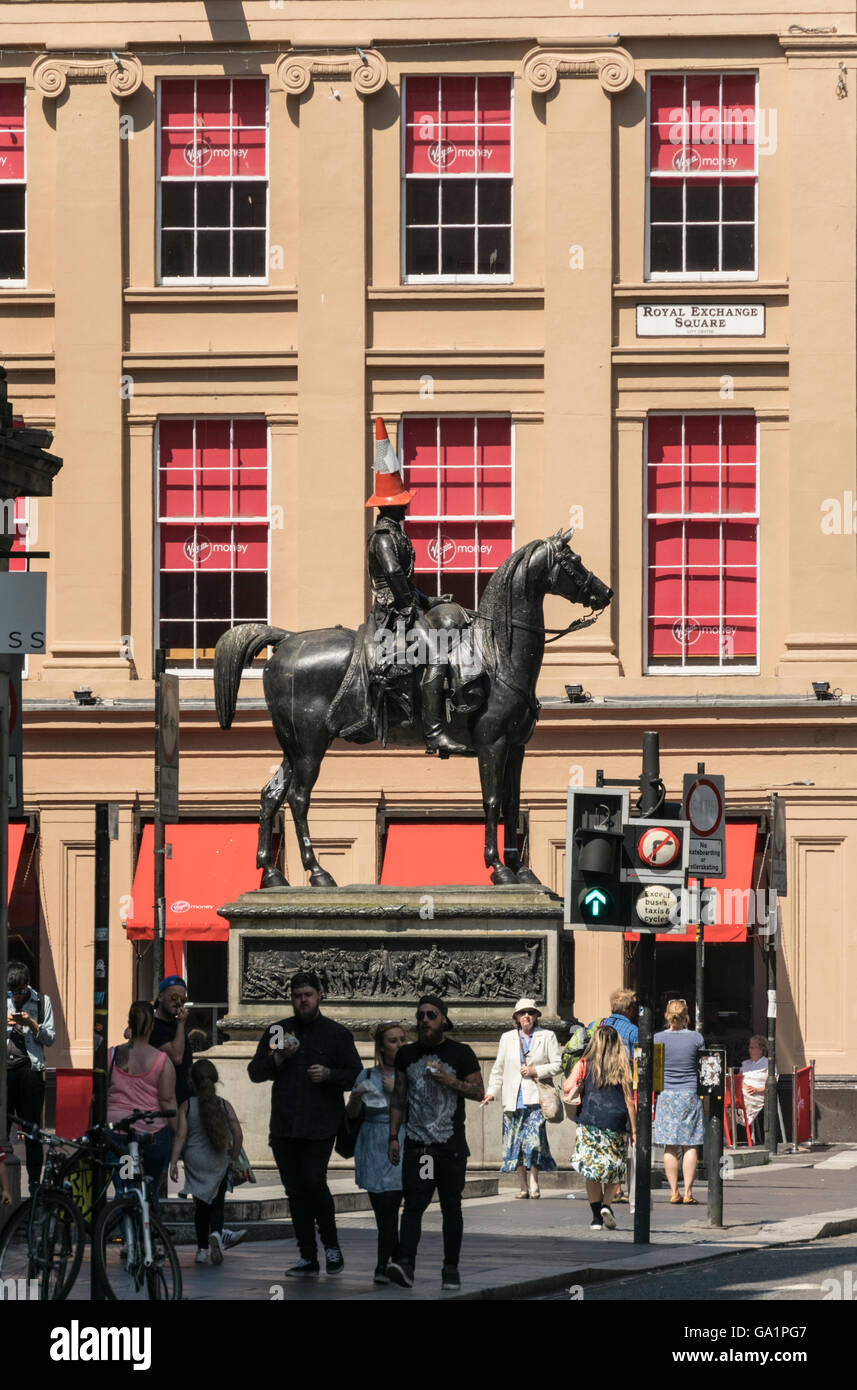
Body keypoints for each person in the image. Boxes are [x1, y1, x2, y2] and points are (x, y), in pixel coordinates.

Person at [247, 969, 361, 1278]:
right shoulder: (277, 1031)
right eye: (297, 997)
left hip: (321, 1126)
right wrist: (279, 1058)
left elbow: (356, 1075)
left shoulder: (336, 1034)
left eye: (307, 995)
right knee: (295, 1192)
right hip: (284, 1127)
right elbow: (255, 1072)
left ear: (319, 996)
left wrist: (329, 1075)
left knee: (314, 1183)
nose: (302, 1001)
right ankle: (307, 1255)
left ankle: (332, 1245)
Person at [366, 417, 470, 756]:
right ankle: (435, 732)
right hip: (392, 616)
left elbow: (407, 583)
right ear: (393, 504)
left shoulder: (396, 532)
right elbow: (396, 579)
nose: (408, 504)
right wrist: (414, 608)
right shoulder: (384, 537)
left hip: (406, 608)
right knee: (437, 655)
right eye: (403, 500)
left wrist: (432, 599)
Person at [386, 995, 484, 1292]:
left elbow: (479, 1091)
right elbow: (399, 1098)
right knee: (413, 1206)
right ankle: (406, 1265)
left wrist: (448, 1080)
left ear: (443, 1019)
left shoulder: (461, 1053)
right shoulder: (406, 1055)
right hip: (419, 1148)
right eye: (420, 1016)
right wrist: (393, 1136)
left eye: (431, 1015)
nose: (424, 1020)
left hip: (450, 1149)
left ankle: (450, 1267)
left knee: (451, 1208)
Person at [345, 1020, 408, 1284]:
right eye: (394, 1041)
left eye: (403, 1039)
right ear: (382, 1048)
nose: (401, 1045)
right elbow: (351, 1115)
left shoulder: (412, 1075)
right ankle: (397, 1260)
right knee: (381, 1208)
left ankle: (382, 1265)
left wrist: (398, 1093)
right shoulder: (367, 1075)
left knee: (390, 1206)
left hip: (399, 1140)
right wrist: (356, 1100)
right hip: (371, 1142)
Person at [482, 997, 562, 1198]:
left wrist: (535, 1070)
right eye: (522, 1013)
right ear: (516, 1017)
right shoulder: (507, 1038)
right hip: (513, 1098)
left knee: (534, 1141)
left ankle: (534, 1181)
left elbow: (557, 1064)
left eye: (531, 1012)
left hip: (536, 1099)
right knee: (514, 1142)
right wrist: (491, 1091)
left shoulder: (547, 1036)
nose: (527, 1016)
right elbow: (498, 1069)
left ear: (536, 1016)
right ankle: (522, 1185)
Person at [170, 1058, 246, 1266]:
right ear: (215, 1080)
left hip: (196, 1161)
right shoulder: (223, 1104)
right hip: (219, 1160)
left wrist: (173, 1162)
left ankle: (202, 1250)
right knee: (218, 1203)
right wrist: (233, 1158)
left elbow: (180, 1136)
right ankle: (217, 1234)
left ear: (191, 1081)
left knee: (200, 1206)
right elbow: (238, 1134)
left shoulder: (186, 1106)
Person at [107, 1000, 178, 1212]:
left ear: (130, 1023)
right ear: (151, 1027)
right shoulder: (162, 1060)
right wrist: (180, 1134)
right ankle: (149, 1237)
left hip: (119, 1133)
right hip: (152, 1133)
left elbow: (98, 1095)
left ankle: (126, 1239)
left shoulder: (110, 1055)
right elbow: (167, 1100)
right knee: (149, 1187)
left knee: (125, 1186)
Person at [565, 1024, 636, 1231]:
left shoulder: (585, 1063)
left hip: (589, 1121)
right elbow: (629, 1101)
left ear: (595, 1042)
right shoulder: (623, 1065)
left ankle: (596, 1217)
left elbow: (568, 1087)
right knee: (615, 1169)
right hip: (615, 1122)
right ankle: (607, 1205)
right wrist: (634, 1130)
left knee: (591, 1170)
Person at [6, 961, 55, 1190]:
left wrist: (32, 1024)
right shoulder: (3, 1000)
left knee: (32, 1130)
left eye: (21, 992)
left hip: (31, 1072)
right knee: (2, 1130)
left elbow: (50, 1039)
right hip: (5, 1073)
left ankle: (35, 1182)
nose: (16, 997)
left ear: (28, 986)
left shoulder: (43, 1002)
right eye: (12, 992)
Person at [653, 999, 705, 1204]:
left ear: (667, 1016)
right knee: (690, 1145)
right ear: (686, 1017)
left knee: (670, 1146)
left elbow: (653, 1068)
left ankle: (673, 1191)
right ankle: (688, 1192)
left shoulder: (657, 1038)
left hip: (666, 1095)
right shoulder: (696, 1038)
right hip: (689, 1094)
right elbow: (704, 1067)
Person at [150, 975, 193, 1106]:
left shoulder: (176, 1025)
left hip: (184, 1097)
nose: (179, 1002)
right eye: (174, 997)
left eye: (183, 998)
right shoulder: (153, 1026)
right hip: (165, 1101)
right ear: (160, 997)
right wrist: (181, 1024)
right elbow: (176, 1057)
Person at [588, 988, 638, 1059]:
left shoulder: (593, 1025)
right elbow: (637, 1061)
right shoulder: (634, 1031)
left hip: (596, 1069)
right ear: (630, 1009)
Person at [740, 1034, 769, 1130]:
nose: (749, 1050)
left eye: (752, 1047)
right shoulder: (746, 1064)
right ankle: (724, 1136)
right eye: (749, 1047)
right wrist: (743, 1085)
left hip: (757, 1095)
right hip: (742, 1092)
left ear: (761, 1050)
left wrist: (757, 1089)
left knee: (732, 1101)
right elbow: (738, 1079)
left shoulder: (768, 1063)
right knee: (726, 1100)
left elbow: (771, 1084)